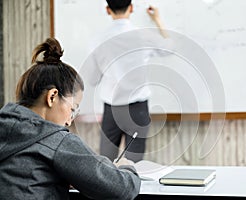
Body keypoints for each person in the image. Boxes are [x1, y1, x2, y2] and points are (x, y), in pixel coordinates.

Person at [0, 38, 140, 200]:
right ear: (52, 96)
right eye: (72, 109)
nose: (69, 121)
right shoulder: (55, 140)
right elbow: (121, 189)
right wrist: (126, 169)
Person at [81, 0, 172, 163]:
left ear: (108, 10)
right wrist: (157, 19)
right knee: (133, 167)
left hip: (112, 110)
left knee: (105, 165)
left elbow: (92, 80)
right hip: (138, 110)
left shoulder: (98, 40)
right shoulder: (144, 35)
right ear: (131, 8)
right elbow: (169, 47)